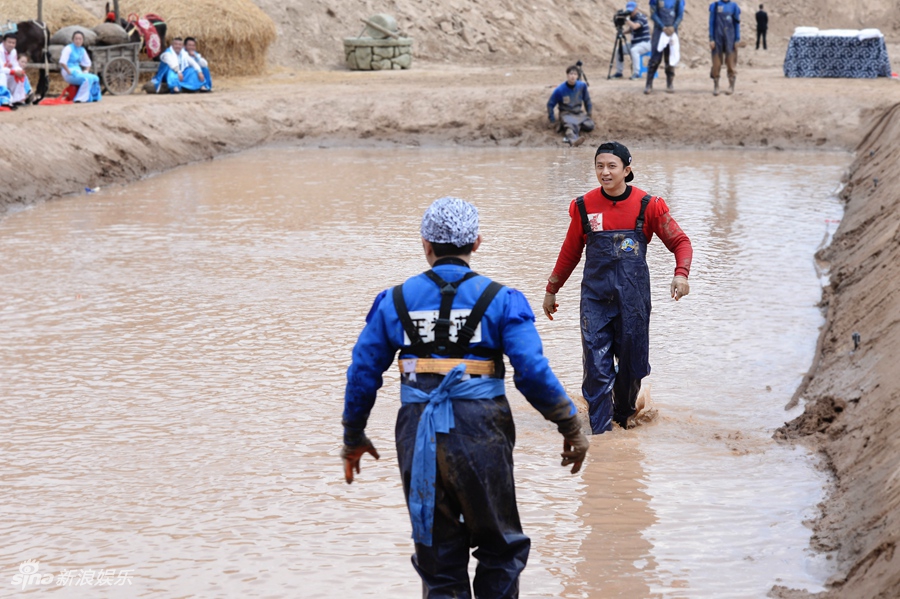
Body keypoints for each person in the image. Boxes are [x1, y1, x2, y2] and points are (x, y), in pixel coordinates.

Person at [342, 196, 589, 598]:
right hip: (481, 431)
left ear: (426, 244)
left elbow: (362, 373)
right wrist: (570, 424)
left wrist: (353, 435)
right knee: (500, 550)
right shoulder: (503, 300)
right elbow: (532, 371)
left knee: (438, 564)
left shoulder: (394, 301)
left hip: (418, 434)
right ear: (476, 242)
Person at [542, 142, 692, 434]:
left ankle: (622, 417)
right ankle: (602, 436)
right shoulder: (584, 206)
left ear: (627, 169)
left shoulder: (648, 206)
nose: (605, 172)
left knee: (632, 367)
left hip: (634, 301)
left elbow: (680, 242)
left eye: (612, 166)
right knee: (597, 369)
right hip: (595, 300)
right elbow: (570, 252)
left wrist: (681, 274)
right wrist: (552, 289)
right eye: (600, 166)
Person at [547, 65, 594, 146]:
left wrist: (589, 113)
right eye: (571, 74)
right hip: (566, 113)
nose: (573, 76)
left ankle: (564, 127)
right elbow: (550, 104)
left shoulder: (582, 86)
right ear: (567, 75)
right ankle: (573, 140)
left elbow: (587, 100)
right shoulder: (560, 89)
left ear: (578, 76)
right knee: (569, 127)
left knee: (590, 125)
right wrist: (552, 120)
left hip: (578, 113)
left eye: (575, 74)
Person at [645, 0, 685, 94]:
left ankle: (670, 83)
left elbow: (680, 15)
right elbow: (653, 14)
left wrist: (674, 26)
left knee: (670, 58)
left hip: (672, 32)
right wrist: (663, 27)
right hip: (659, 31)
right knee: (655, 59)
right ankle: (649, 84)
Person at [59, 31, 101, 103]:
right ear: (73, 40)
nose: (78, 41)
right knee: (87, 78)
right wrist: (69, 71)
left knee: (95, 77)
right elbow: (62, 62)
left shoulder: (82, 50)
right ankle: (80, 98)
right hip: (69, 71)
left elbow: (88, 63)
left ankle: (94, 97)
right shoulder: (68, 48)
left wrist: (86, 71)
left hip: (78, 71)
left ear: (83, 40)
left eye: (80, 39)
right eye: (76, 39)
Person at [709, 0, 741, 96]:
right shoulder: (715, 5)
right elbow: (711, 23)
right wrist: (711, 38)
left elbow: (737, 24)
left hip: (730, 37)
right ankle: (716, 86)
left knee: (731, 62)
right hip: (717, 37)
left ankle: (731, 86)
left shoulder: (734, 6)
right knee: (716, 63)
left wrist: (737, 39)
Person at [615, 1, 652, 80]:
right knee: (619, 50)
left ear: (636, 9)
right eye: (629, 10)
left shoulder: (641, 17)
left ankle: (636, 73)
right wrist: (622, 32)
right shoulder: (632, 18)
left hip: (645, 44)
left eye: (632, 10)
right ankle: (619, 72)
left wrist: (626, 19)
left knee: (634, 50)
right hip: (635, 44)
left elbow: (635, 26)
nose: (631, 12)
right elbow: (631, 29)